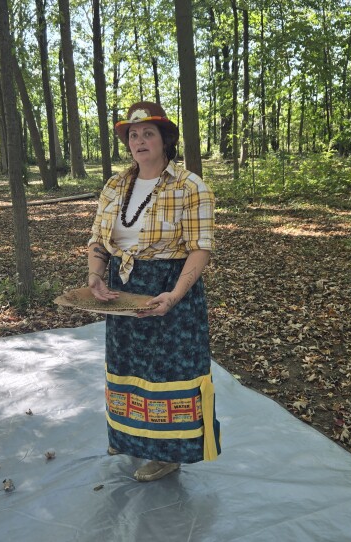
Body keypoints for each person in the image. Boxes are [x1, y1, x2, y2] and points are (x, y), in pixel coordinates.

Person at [87, 101, 220, 482]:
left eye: (148, 133)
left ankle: (168, 454)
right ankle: (128, 437)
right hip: (122, 291)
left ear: (165, 140)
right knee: (127, 366)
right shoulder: (115, 186)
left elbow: (200, 248)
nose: (139, 140)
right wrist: (96, 274)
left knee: (166, 373)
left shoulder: (189, 186)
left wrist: (174, 296)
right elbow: (98, 238)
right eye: (133, 134)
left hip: (169, 291)